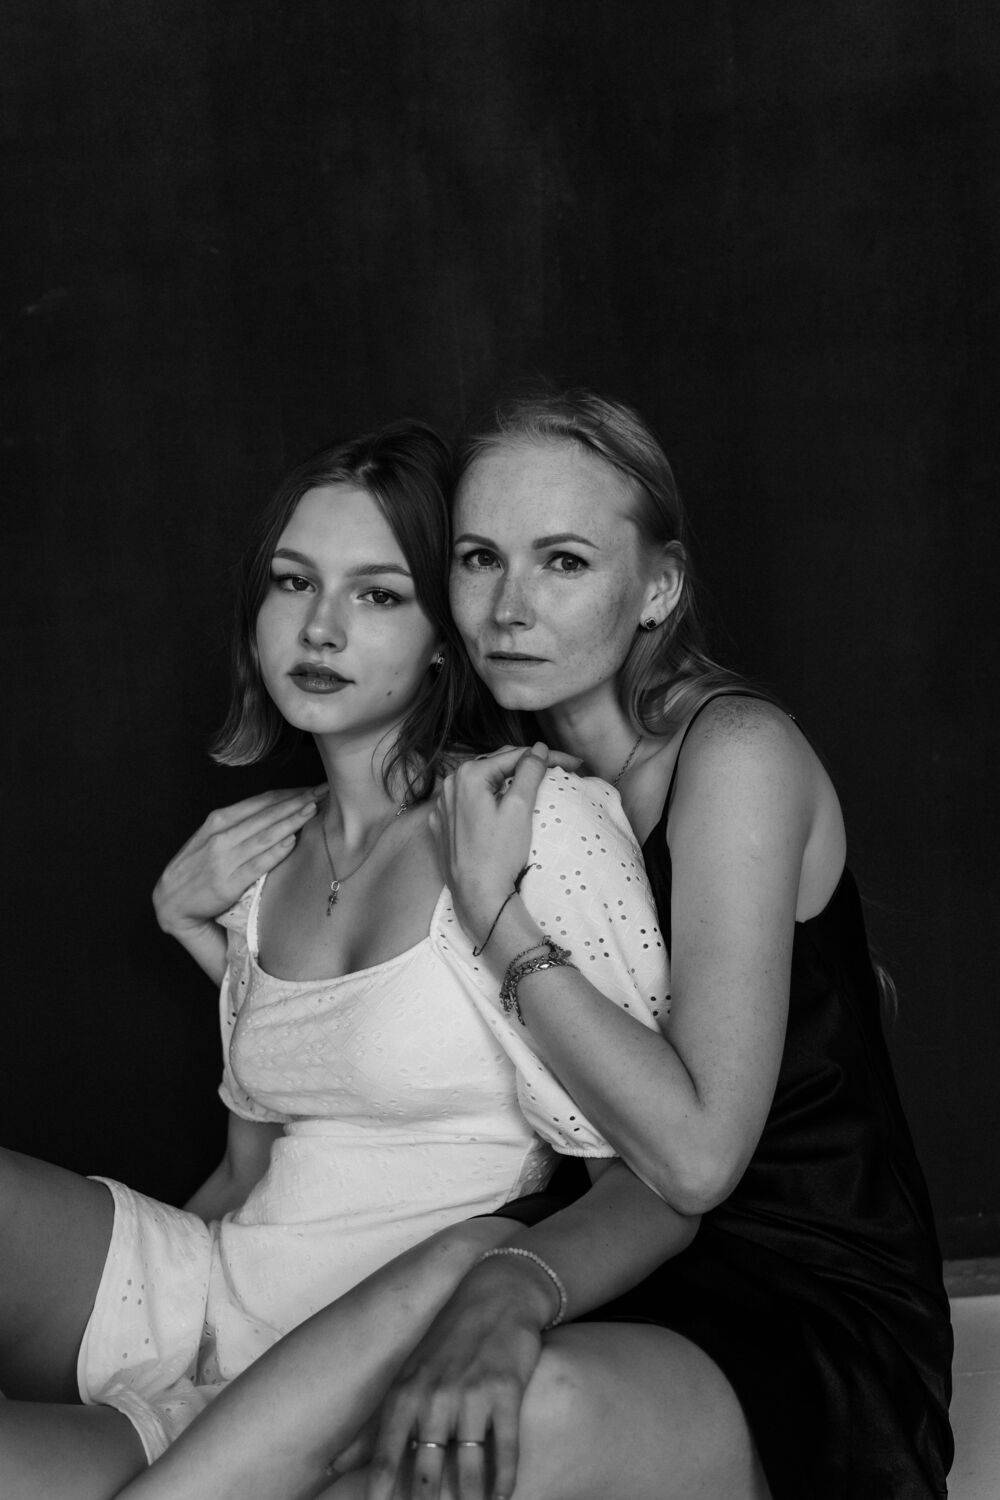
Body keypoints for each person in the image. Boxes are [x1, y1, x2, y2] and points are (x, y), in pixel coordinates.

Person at [139, 390, 953, 1500]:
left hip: (797, 1292)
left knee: (466, 1437)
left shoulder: (734, 755)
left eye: (563, 562)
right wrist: (214, 931)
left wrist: (498, 914)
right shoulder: (497, 771)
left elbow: (698, 1160)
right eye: (479, 560)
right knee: (373, 1396)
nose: (509, 608)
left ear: (657, 587)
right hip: (600, 1250)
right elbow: (399, 1030)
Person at [0, 420, 708, 1500]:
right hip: (206, 1291)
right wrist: (153, 1378)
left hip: (360, 1361)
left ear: (444, 635)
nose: (320, 627)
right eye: (294, 582)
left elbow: (646, 1175)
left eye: (378, 594)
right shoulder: (266, 859)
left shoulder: (530, 823)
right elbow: (248, 1175)